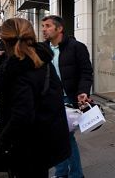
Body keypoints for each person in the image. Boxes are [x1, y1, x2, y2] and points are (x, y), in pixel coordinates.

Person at [0, 18, 70, 177]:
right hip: (42, 141)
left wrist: (3, 141)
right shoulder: (41, 60)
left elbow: (22, 114)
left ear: (4, 40)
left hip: (26, 146)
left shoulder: (18, 68)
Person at [41, 15, 93, 178]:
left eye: (48, 26)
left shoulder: (77, 47)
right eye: (43, 26)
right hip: (51, 101)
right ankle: (63, 173)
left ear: (59, 29)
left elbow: (86, 72)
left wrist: (83, 91)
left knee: (65, 137)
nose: (44, 29)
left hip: (69, 100)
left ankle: (73, 174)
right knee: (58, 138)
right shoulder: (42, 49)